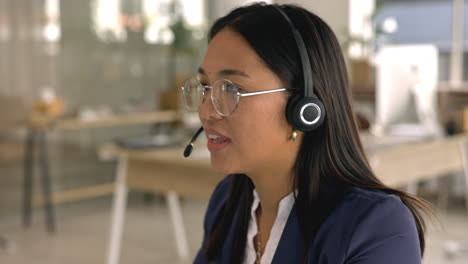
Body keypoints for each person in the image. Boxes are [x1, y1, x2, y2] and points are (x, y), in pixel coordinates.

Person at [181, 3, 430, 264]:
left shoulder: (377, 227)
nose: (206, 110)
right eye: (206, 86)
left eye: (231, 89)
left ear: (304, 108)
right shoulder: (228, 202)